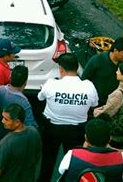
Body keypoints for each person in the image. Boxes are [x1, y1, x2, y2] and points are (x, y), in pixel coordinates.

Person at [37, 53, 99, 182]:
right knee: (73, 161)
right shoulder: (88, 86)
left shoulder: (51, 84)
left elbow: (40, 97)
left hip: (52, 128)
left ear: (60, 69)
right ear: (77, 68)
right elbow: (94, 104)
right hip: (77, 130)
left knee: (48, 159)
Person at [58, 118, 123, 181]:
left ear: (86, 138)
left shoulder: (72, 154)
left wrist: (84, 148)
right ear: (109, 139)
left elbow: (61, 171)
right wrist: (113, 149)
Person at [94, 62, 123, 148]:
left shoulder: (118, 94)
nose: (116, 72)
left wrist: (96, 111)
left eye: (118, 71)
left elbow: (107, 113)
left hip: (113, 133)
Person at [0, 104, 41, 182]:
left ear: (17, 122)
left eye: (6, 119)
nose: (2, 121)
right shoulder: (34, 132)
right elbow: (37, 156)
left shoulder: (6, 143)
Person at [0, 66, 38, 148]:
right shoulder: (24, 102)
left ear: (10, 77)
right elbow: (30, 125)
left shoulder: (0, 90)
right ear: (25, 83)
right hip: (14, 141)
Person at [81, 37, 123, 106]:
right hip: (94, 102)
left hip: (112, 103)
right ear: (115, 51)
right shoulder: (97, 60)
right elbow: (84, 79)